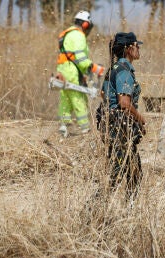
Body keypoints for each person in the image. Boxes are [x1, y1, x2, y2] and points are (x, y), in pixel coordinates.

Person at [97, 32, 146, 202]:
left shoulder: (114, 68)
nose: (138, 48)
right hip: (120, 131)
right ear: (128, 48)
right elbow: (124, 103)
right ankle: (94, 211)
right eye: (136, 45)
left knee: (134, 173)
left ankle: (129, 212)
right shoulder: (124, 70)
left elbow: (103, 94)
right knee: (115, 176)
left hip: (115, 128)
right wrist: (140, 118)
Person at [56, 10, 104, 137]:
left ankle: (63, 127)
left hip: (64, 70)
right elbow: (80, 58)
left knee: (66, 99)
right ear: (85, 25)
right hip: (72, 72)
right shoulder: (78, 35)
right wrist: (94, 68)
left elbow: (71, 56)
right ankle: (85, 129)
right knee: (79, 99)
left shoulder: (69, 34)